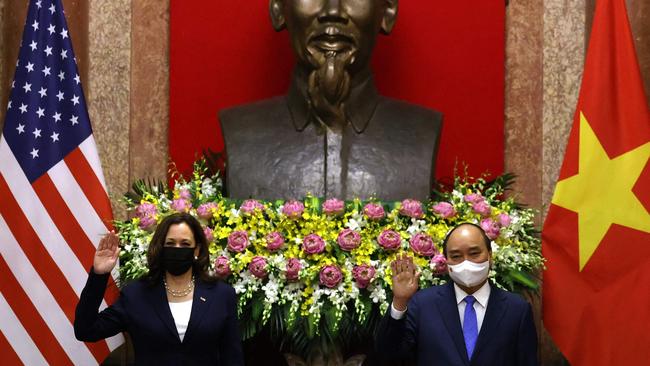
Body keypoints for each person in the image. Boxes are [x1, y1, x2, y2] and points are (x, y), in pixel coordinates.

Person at [220, 0, 442, 201]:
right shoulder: (241, 130)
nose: (333, 12)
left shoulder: (422, 130)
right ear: (278, 8)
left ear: (388, 10)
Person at [74, 213, 244, 365]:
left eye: (185, 244)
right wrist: (99, 275)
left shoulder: (221, 295)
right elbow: (86, 330)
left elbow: (233, 357)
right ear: (161, 248)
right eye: (170, 243)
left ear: (197, 250)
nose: (177, 249)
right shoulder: (136, 294)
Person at [375, 223, 538, 366]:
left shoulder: (517, 309)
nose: (466, 262)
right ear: (446, 262)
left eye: (474, 253)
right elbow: (389, 357)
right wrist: (400, 302)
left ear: (490, 256)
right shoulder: (423, 304)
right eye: (456, 256)